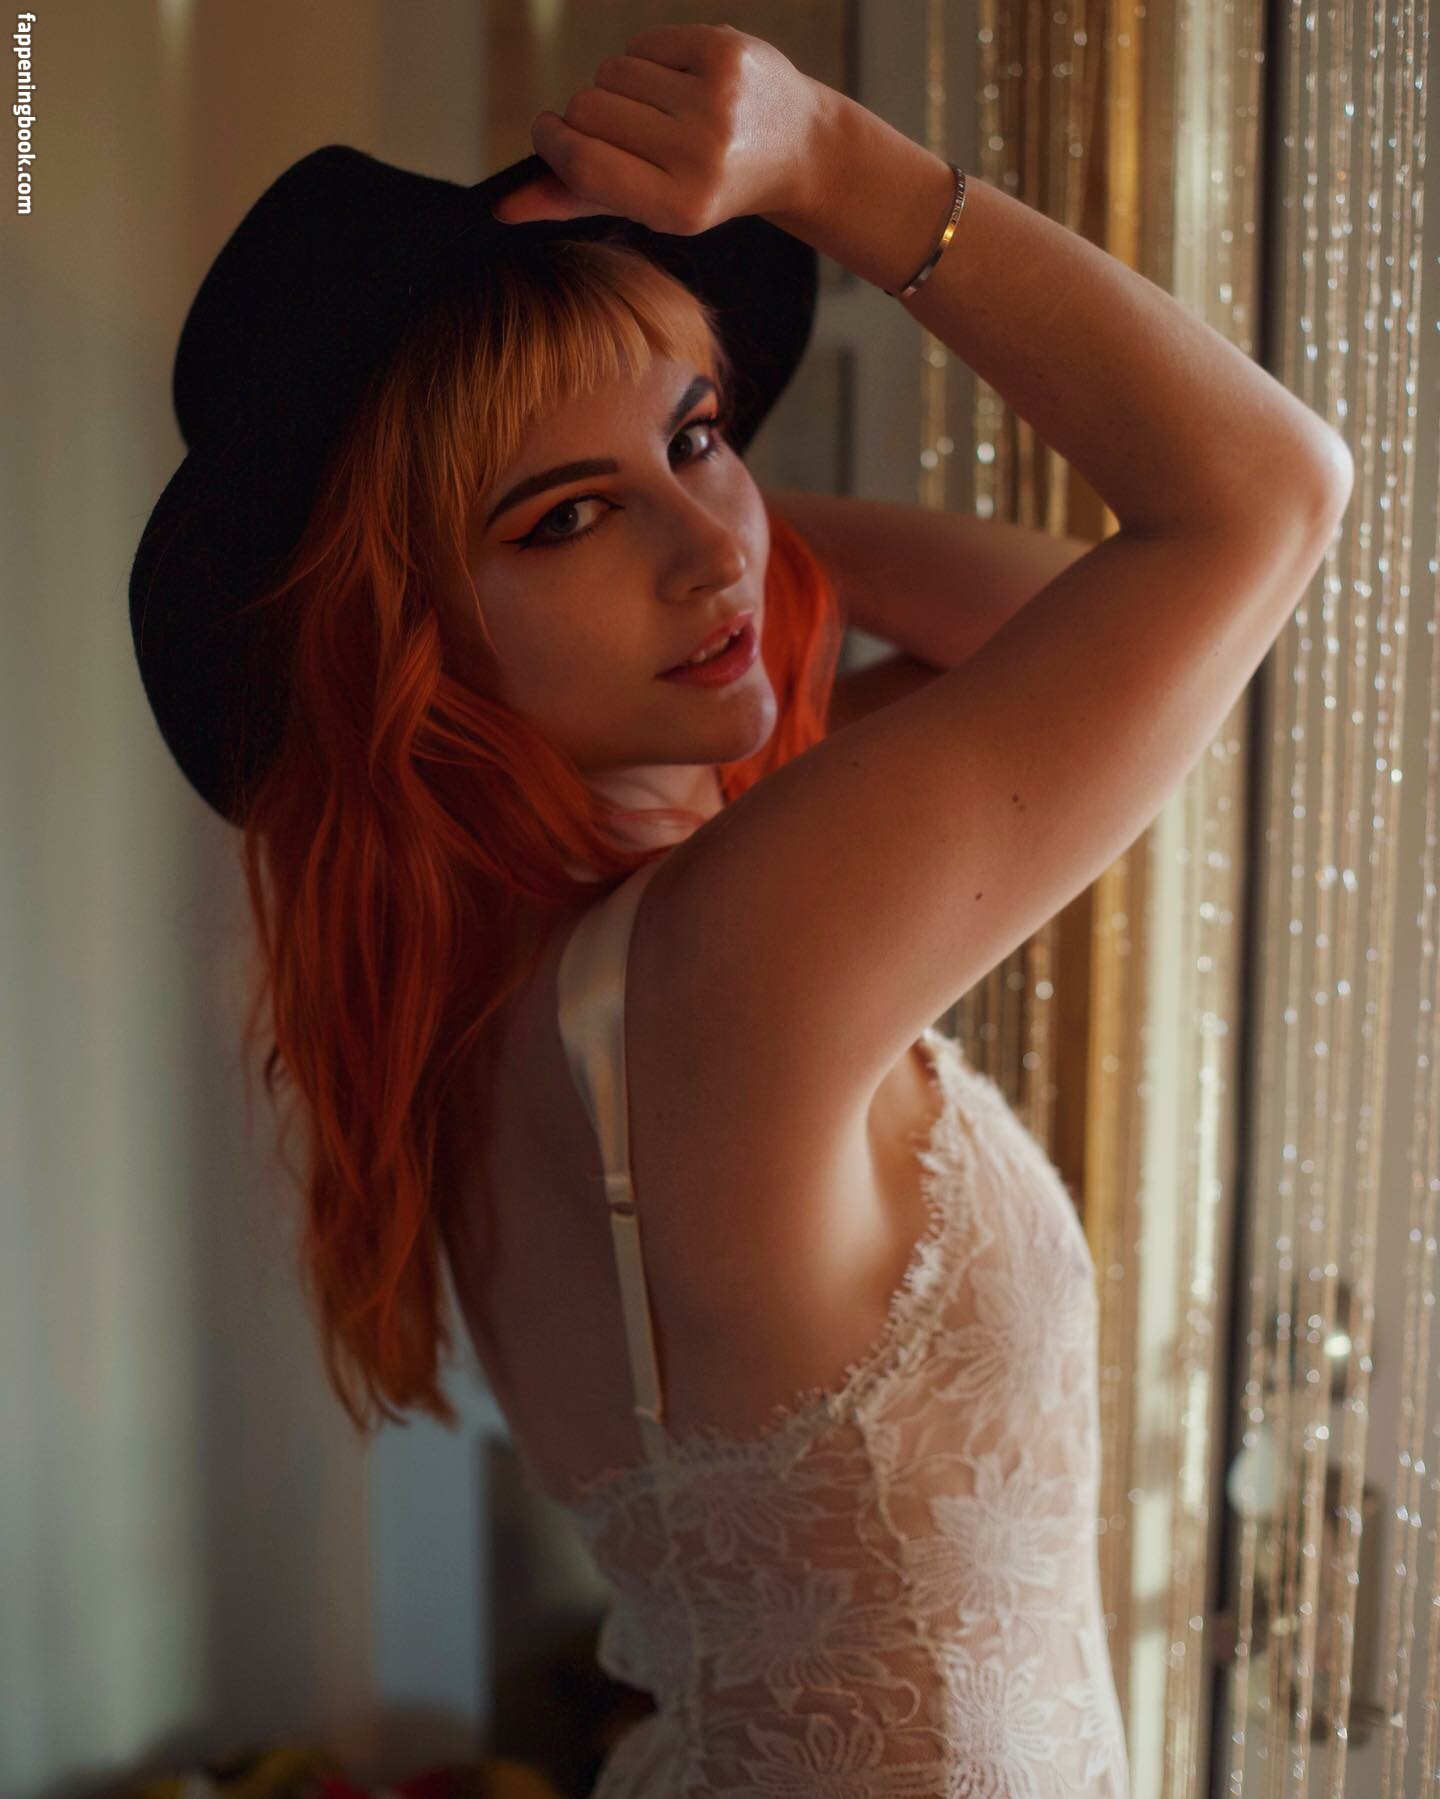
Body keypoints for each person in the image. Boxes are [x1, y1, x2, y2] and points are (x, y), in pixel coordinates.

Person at [129, 21, 1353, 1795]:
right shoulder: (734, 950)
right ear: (406, 645)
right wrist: (835, 165)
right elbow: (1267, 503)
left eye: (703, 437)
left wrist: (696, 512)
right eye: (563, 520)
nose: (711, 548)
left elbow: (1052, 625)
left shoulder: (499, 1004)